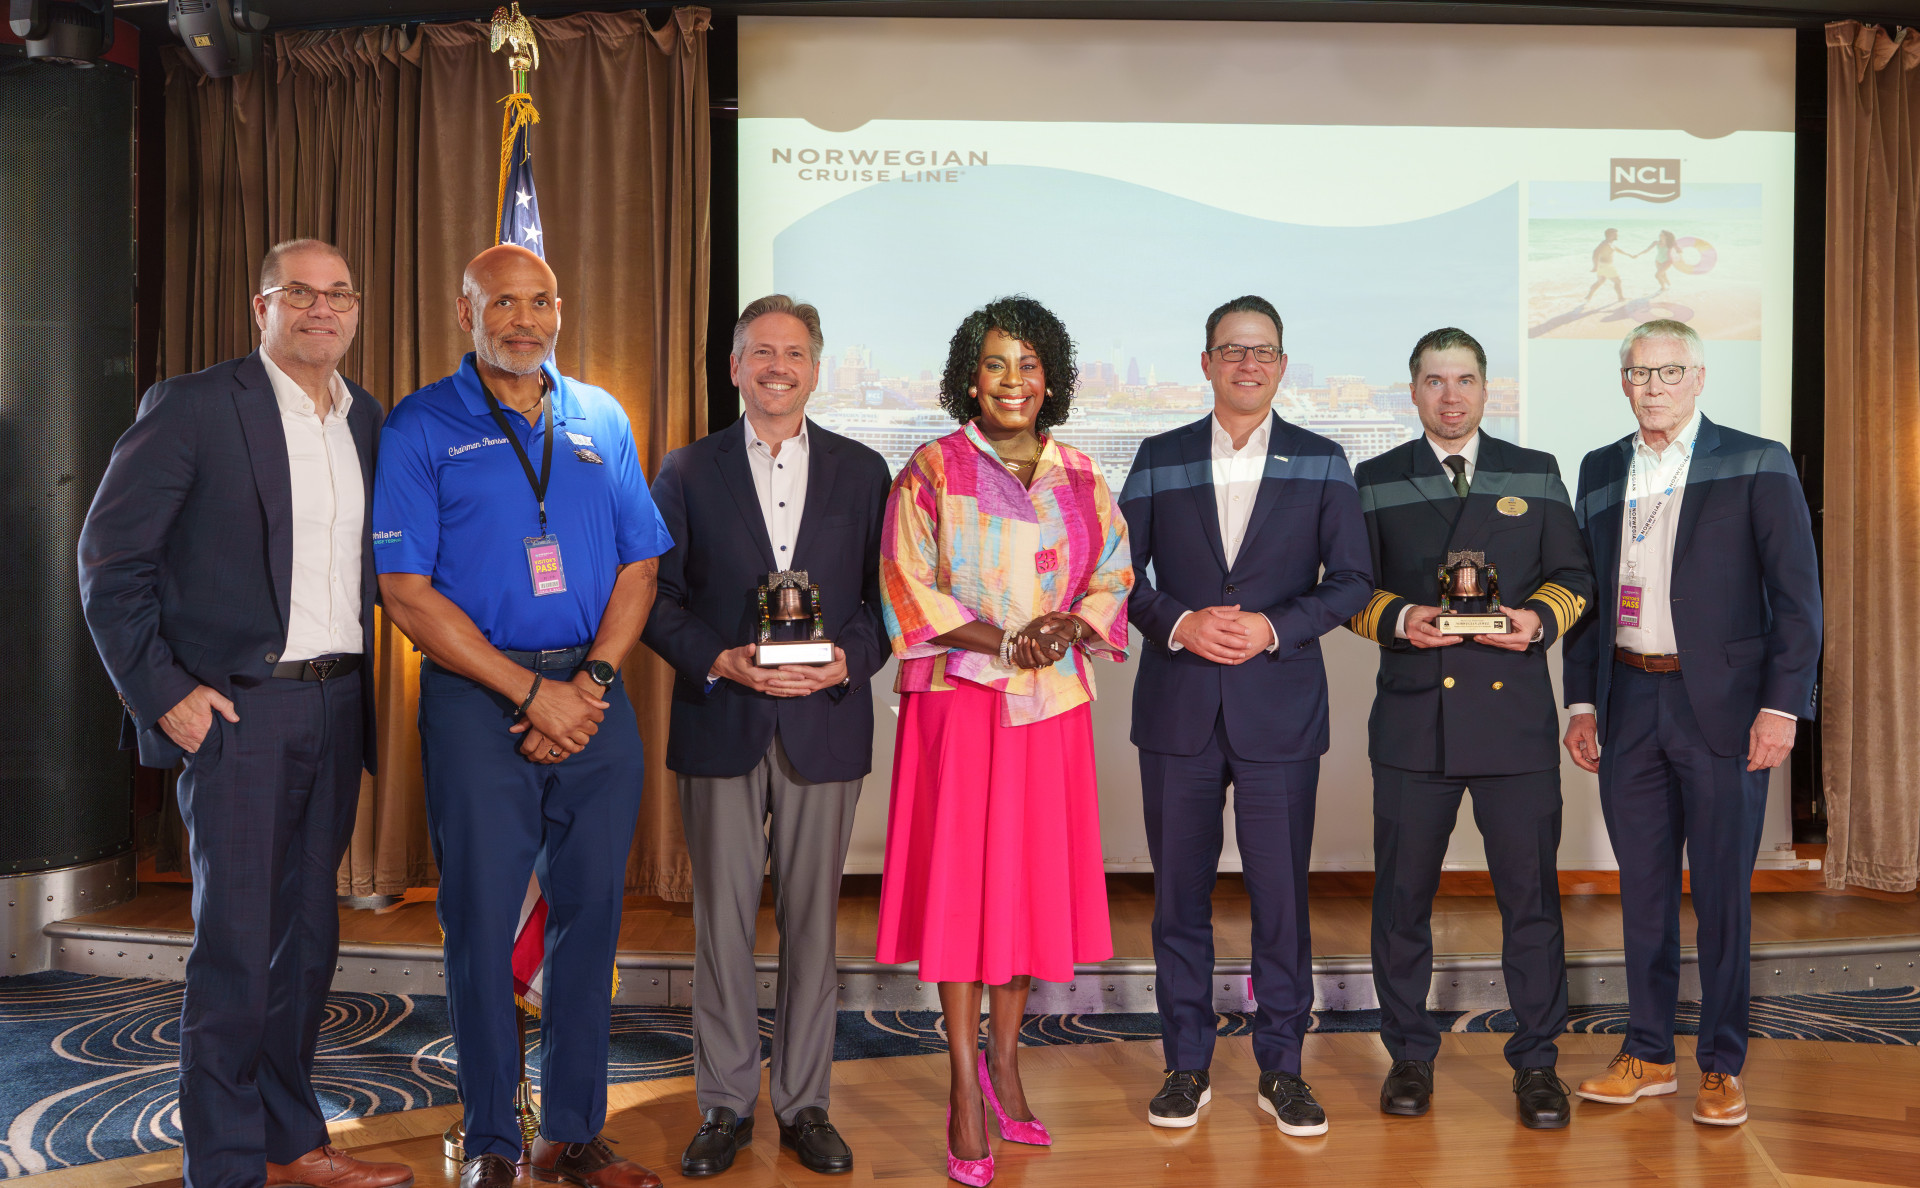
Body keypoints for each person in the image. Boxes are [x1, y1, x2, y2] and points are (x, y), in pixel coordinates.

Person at [78, 239, 409, 1188]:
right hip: (238, 713)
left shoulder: (368, 419)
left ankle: (289, 1140)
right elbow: (111, 564)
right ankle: (223, 1165)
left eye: (339, 292)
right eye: (300, 292)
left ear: (354, 310)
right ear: (260, 305)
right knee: (235, 946)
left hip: (340, 702)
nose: (322, 308)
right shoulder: (191, 407)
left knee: (308, 940)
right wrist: (164, 692)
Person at [372, 245, 674, 1188]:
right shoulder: (423, 423)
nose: (525, 319)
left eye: (540, 301)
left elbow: (640, 565)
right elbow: (406, 591)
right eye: (503, 301)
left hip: (592, 696)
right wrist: (526, 691)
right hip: (476, 702)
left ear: (559, 310)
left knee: (589, 916)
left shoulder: (601, 416)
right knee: (478, 922)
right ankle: (496, 1138)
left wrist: (583, 685)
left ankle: (574, 1132)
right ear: (465, 312)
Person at [876, 296, 1132, 1186]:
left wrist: (1063, 630)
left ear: (1049, 377)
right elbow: (907, 585)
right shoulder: (933, 470)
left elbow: (1114, 572)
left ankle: (1009, 1062)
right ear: (969, 378)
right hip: (963, 704)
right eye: (994, 365)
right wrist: (1004, 641)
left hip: (1051, 709)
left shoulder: (1080, 474)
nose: (1012, 381)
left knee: (1022, 894)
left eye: (1027, 365)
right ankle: (962, 1088)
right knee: (962, 895)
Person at [640, 295, 891, 1178]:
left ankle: (806, 1103)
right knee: (721, 928)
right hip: (723, 720)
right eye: (760, 353)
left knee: (815, 926)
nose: (777, 366)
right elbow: (654, 602)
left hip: (824, 721)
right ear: (736, 367)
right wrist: (720, 659)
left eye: (794, 353)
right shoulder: (684, 470)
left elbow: (882, 608)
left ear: (816, 368)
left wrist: (845, 665)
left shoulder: (865, 473)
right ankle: (723, 1104)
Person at [1117, 295, 1372, 1136]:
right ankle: (1184, 1066)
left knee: (1280, 900)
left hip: (1280, 712)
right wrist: (1182, 624)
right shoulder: (1158, 457)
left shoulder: (1323, 459)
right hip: (1179, 708)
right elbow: (1119, 577)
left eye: (1262, 351)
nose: (1247, 364)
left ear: (1282, 364)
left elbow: (1351, 583)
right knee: (1179, 901)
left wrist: (1272, 626)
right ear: (1206, 363)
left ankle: (1282, 1070)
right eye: (1231, 350)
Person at [1562, 319, 1821, 1127]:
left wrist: (1782, 707)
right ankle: (1646, 1053)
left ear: (1700, 377)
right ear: (1624, 380)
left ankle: (1721, 1062)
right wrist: (1580, 701)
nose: (1653, 387)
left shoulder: (1755, 458)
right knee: (1639, 892)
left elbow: (1798, 600)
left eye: (1669, 372)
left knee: (1720, 896)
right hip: (1629, 700)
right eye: (1639, 373)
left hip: (1727, 709)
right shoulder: (1602, 468)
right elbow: (1588, 598)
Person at [1346, 327, 1594, 1130]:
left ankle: (1537, 1064)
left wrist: (1536, 620)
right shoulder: (1376, 479)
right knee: (1402, 903)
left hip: (1513, 725)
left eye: (1464, 380)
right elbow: (1346, 589)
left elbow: (1576, 577)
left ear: (1488, 390)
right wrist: (1401, 617)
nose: (1450, 396)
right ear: (1411, 390)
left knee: (1531, 904)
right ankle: (1409, 1055)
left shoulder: (1536, 471)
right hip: (1416, 724)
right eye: (1433, 381)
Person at [1586, 228, 1633, 306]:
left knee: (1600, 281)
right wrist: (1595, 266)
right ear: (1610, 235)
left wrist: (1628, 254)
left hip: (1603, 266)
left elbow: (1617, 249)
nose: (1617, 235)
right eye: (1615, 234)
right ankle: (1620, 298)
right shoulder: (1605, 244)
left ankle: (1588, 296)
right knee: (1618, 281)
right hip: (1606, 266)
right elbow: (1595, 253)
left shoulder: (1610, 243)